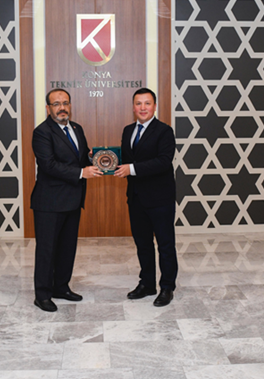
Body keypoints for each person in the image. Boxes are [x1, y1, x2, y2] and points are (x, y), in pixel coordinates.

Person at [31, 88, 102, 312]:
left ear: (70, 105)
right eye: (56, 104)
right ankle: (42, 295)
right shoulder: (42, 132)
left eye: (65, 103)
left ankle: (61, 287)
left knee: (67, 248)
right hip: (49, 202)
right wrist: (82, 173)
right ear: (48, 108)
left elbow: (80, 158)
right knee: (47, 250)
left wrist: (93, 158)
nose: (62, 108)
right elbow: (48, 165)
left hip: (72, 199)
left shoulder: (77, 128)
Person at [114, 87, 178, 307]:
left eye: (147, 103)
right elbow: (124, 158)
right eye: (138, 103)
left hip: (160, 199)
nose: (143, 108)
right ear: (133, 107)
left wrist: (131, 169)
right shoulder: (127, 131)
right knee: (142, 244)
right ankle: (147, 284)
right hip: (136, 198)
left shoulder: (164, 131)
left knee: (165, 244)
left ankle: (167, 287)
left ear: (154, 106)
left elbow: (163, 162)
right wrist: (103, 158)